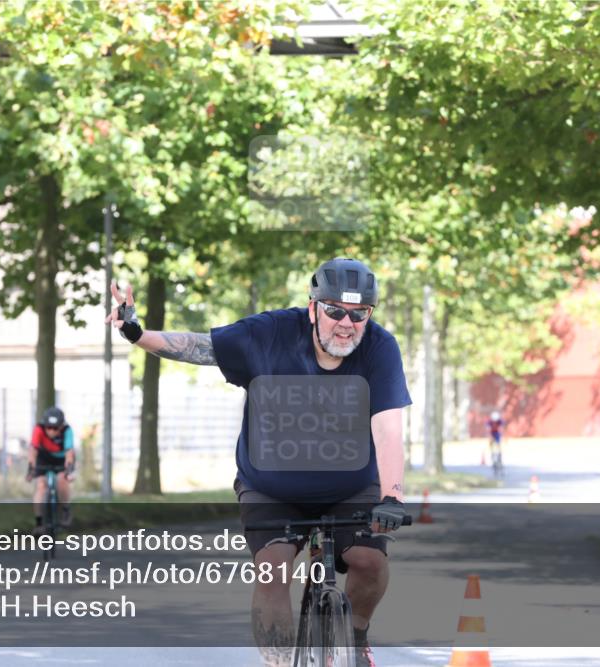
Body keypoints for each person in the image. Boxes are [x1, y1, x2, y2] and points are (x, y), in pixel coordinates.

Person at [107, 257, 411, 667]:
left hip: (350, 486)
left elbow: (389, 429)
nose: (346, 323)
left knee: (370, 563)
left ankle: (356, 636)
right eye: (335, 310)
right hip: (271, 486)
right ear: (313, 307)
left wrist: (391, 496)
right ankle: (280, 663)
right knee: (272, 572)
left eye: (358, 315)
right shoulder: (270, 334)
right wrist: (135, 331)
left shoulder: (379, 347)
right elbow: (200, 348)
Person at [26, 406, 76, 532]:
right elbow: (33, 450)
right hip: (43, 457)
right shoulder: (38, 429)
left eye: (55, 428)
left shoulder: (67, 430)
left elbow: (69, 452)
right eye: (49, 427)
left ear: (61, 426)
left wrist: (68, 469)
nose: (52, 431)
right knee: (41, 485)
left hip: (61, 458)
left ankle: (65, 509)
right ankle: (39, 523)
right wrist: (31, 467)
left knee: (61, 480)